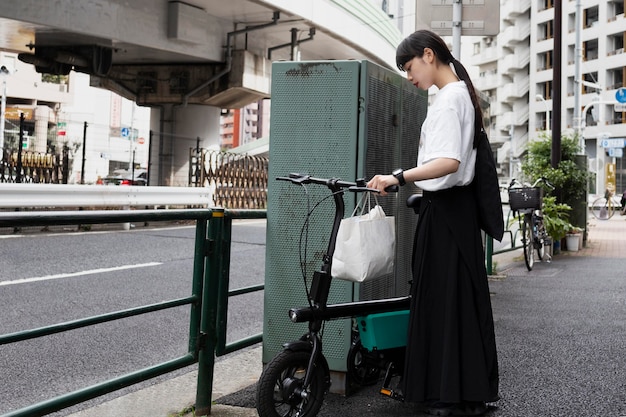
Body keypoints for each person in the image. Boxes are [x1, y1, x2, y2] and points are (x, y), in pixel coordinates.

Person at [367, 30, 499, 416]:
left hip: (445, 211)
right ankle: (460, 393)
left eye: (410, 67)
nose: (409, 76)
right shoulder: (460, 94)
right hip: (454, 212)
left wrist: (398, 176)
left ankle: (448, 396)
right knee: (455, 301)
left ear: (428, 55)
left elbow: (448, 163)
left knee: (443, 300)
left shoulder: (450, 99)